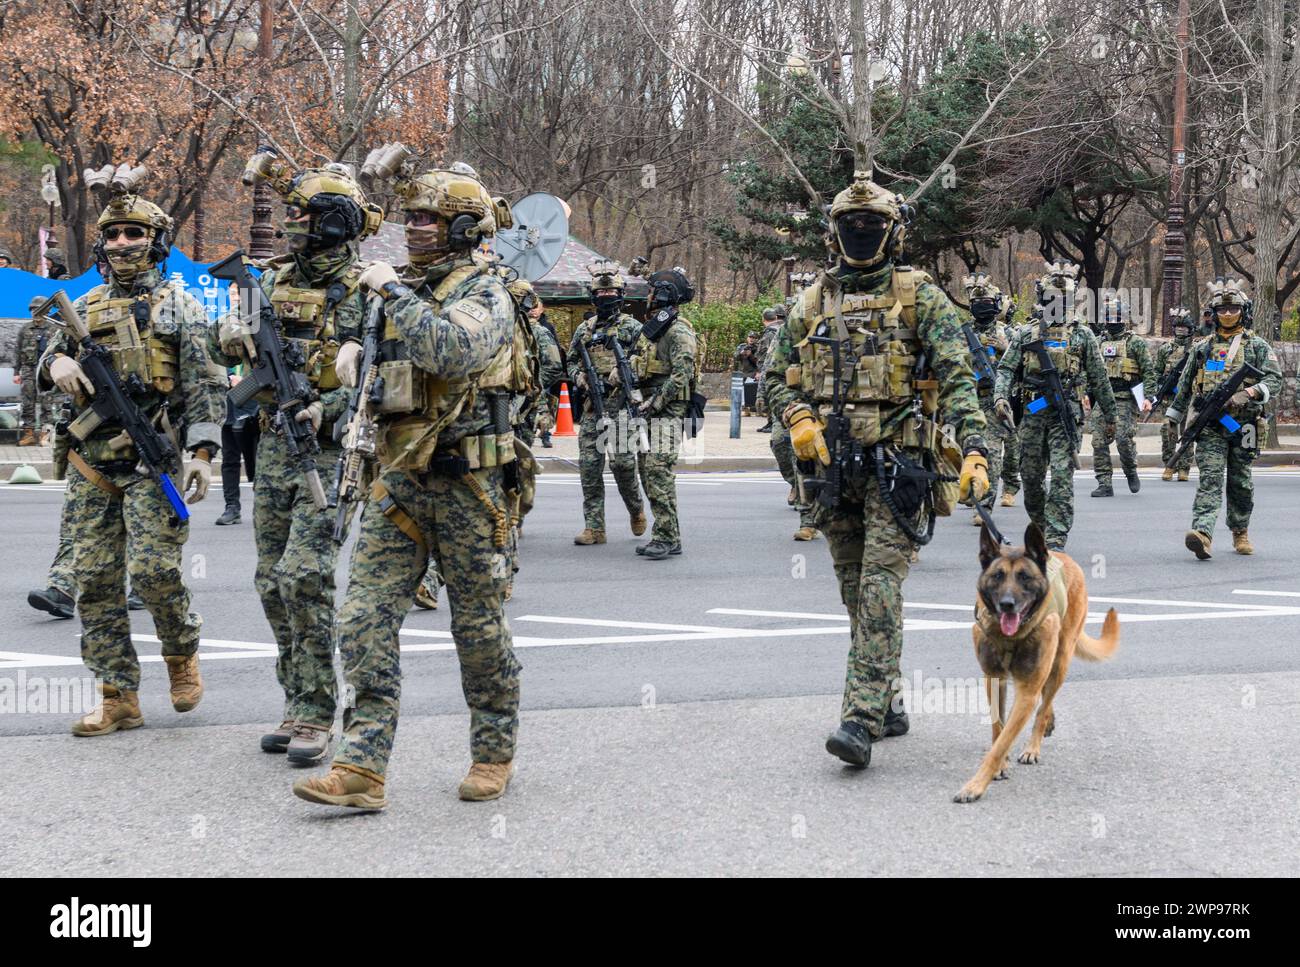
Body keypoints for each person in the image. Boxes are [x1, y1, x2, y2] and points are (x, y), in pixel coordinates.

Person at [292, 165, 522, 809]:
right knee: (362, 619)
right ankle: (361, 766)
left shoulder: (485, 292)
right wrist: (338, 370)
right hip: (398, 483)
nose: (413, 228)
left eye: (426, 218)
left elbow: (453, 352)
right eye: (410, 218)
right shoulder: (395, 292)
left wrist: (392, 291)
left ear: (462, 226)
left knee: (478, 629)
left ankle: (493, 750)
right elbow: (364, 377)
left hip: (468, 484)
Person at [764, 170, 989, 768]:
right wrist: (796, 417)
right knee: (854, 594)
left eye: (872, 225)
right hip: (833, 470)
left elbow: (960, 377)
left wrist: (973, 450)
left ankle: (859, 720)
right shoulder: (812, 302)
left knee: (880, 588)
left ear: (894, 233)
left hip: (899, 466)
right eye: (850, 225)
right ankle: (888, 701)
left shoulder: (922, 297)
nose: (861, 234)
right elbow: (771, 376)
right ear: (833, 233)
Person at [37, 170, 224, 735]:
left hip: (153, 462)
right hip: (92, 463)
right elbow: (46, 359)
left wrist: (203, 452)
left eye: (134, 233)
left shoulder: (180, 307)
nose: (122, 244)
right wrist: (58, 362)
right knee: (93, 581)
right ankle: (116, 693)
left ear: (154, 241)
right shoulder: (83, 307)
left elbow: (205, 384)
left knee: (153, 573)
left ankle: (180, 653)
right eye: (114, 234)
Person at [214, 156, 380, 762]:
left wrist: (329, 404)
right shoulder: (270, 281)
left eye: (306, 213)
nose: (295, 222)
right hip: (274, 447)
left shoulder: (369, 289)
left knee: (304, 575)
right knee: (269, 582)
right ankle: (297, 698)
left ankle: (316, 713)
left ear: (337, 221)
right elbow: (224, 342)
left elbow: (383, 378)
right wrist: (232, 334)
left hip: (333, 453)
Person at [993, 262, 1116, 550]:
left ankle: (1057, 537)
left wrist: (1111, 416)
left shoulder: (1082, 335)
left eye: (1063, 300)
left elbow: (1099, 378)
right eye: (1051, 300)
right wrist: (1000, 397)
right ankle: (1041, 525)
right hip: (1033, 413)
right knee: (1032, 477)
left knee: (1062, 476)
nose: (1057, 305)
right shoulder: (1027, 334)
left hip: (1065, 415)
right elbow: (1006, 369)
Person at [1166, 278, 1282, 559]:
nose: (1228, 315)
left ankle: (1240, 530)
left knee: (1240, 482)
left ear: (1243, 311)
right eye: (1222, 310)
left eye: (1233, 310)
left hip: (1245, 425)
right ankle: (1202, 533)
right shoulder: (1203, 347)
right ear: (1214, 313)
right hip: (1211, 426)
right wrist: (1174, 417)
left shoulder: (1257, 346)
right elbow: (1185, 383)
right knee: (1210, 479)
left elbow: (1274, 379)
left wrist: (1249, 393)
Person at [567, 260, 647, 545]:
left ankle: (636, 508)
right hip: (592, 408)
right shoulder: (584, 330)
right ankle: (594, 527)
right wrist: (580, 379)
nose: (606, 298)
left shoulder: (632, 327)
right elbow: (572, 361)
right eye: (601, 295)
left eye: (611, 294)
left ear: (620, 295)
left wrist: (626, 370)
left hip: (621, 408)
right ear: (593, 297)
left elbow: (645, 357)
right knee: (589, 468)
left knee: (623, 466)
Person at [629, 267, 698, 559]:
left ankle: (666, 537)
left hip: (668, 409)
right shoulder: (657, 328)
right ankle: (670, 535)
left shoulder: (678, 329)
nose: (648, 296)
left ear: (664, 294)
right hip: (650, 408)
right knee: (650, 471)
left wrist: (655, 402)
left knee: (658, 471)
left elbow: (683, 373)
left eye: (652, 291)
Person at [961, 272, 1016, 525]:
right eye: (977, 304)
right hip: (968, 402)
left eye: (986, 304)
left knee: (992, 454)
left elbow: (1022, 365)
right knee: (969, 452)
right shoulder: (962, 334)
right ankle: (972, 492)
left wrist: (1005, 348)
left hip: (994, 401)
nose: (982, 308)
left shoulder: (1009, 333)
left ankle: (984, 507)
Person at [1088, 296, 1155, 497]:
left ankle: (1130, 470)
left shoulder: (1135, 343)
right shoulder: (1098, 342)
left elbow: (1149, 371)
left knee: (1123, 439)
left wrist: (1149, 397)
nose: (1113, 319)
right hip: (1103, 399)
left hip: (1126, 397)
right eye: (1109, 316)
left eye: (1117, 316)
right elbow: (1088, 370)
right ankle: (1104, 483)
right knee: (1098, 441)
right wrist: (1084, 393)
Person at [1153, 307, 1195, 482]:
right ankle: (1169, 465)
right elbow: (1156, 371)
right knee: (1167, 432)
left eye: (1184, 329)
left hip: (1189, 398)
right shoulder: (1166, 349)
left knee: (1188, 432)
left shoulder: (1195, 349)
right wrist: (1159, 387)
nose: (1180, 332)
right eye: (1178, 329)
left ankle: (1184, 467)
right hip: (1169, 399)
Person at [215, 369, 260, 525]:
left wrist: (246, 380)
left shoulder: (255, 346)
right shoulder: (221, 349)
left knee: (258, 462)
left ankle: (263, 507)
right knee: (229, 460)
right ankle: (232, 507)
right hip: (229, 410)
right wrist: (229, 377)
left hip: (257, 411)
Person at [15, 296, 57, 446]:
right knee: (27, 403)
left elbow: (59, 350)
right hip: (28, 370)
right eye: (32, 309)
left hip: (46, 372)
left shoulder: (53, 329)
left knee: (46, 402)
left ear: (45, 310)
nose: (34, 312)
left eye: (37, 308)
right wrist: (16, 372)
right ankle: (29, 434)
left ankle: (46, 434)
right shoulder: (25, 329)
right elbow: (18, 351)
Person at [733, 330, 762, 415]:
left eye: (753, 338)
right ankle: (745, 410)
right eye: (750, 337)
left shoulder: (758, 347)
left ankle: (758, 410)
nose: (751, 339)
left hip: (753, 372)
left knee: (753, 391)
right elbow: (735, 358)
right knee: (743, 392)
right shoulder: (742, 346)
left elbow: (759, 361)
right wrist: (741, 353)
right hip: (743, 372)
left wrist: (751, 355)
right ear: (747, 338)